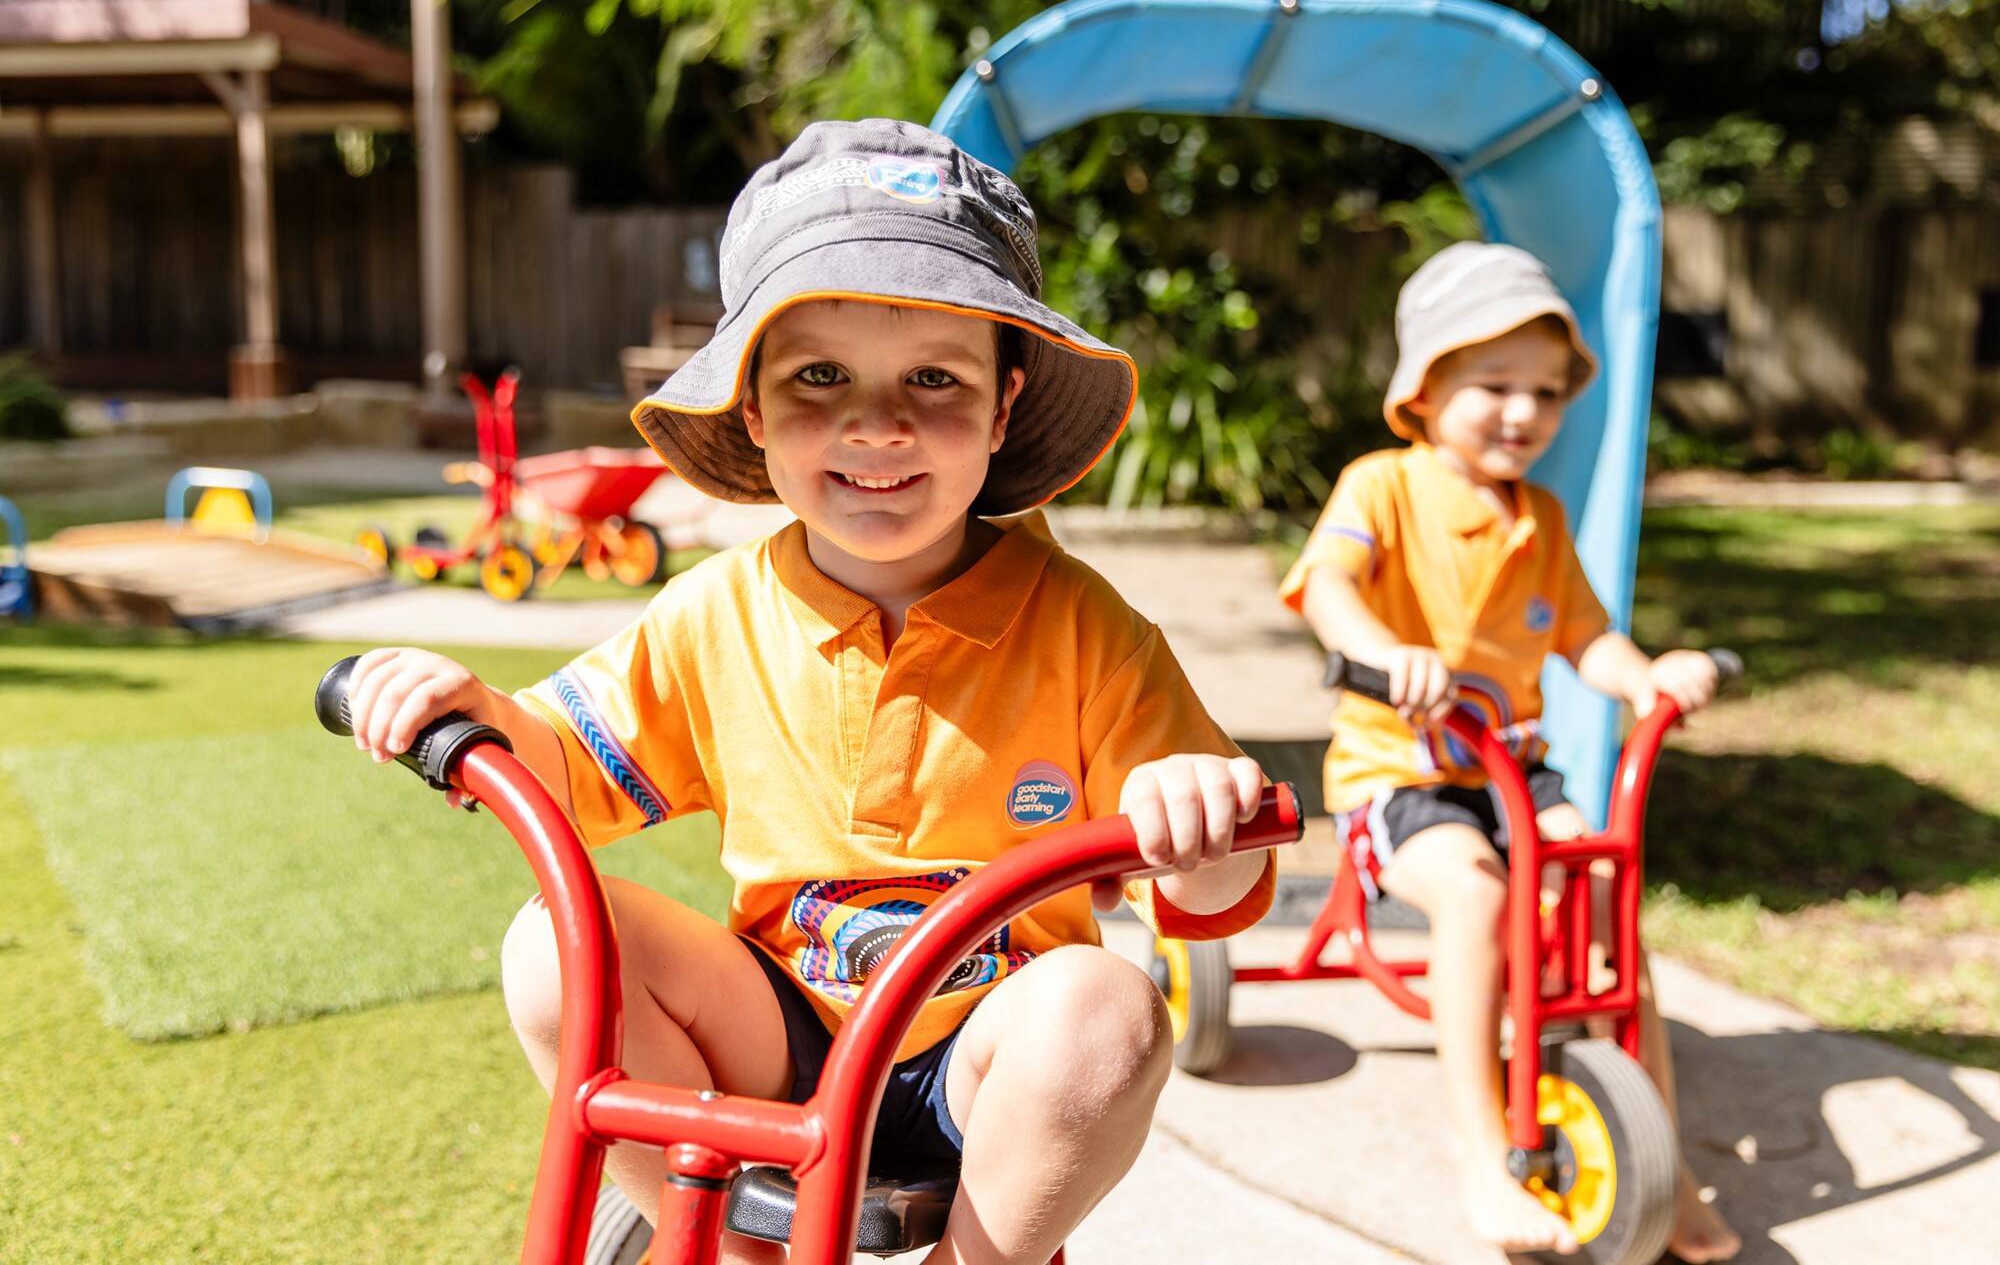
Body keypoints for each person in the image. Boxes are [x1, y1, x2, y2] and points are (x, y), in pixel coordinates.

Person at [343, 119, 1275, 1265]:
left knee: (1106, 1008)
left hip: (981, 1054)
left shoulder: (1087, 629)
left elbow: (1220, 885)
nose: (874, 422)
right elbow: (564, 769)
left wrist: (1196, 814)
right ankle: (731, 1250)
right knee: (557, 948)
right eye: (817, 375)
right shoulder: (712, 609)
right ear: (752, 409)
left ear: (1002, 406)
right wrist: (480, 712)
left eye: (933, 377)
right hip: (774, 1029)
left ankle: (975, 1259)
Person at [1279, 242, 1740, 1261]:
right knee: (1478, 891)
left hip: (1511, 771)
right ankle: (1483, 1151)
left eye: (1543, 390)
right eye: (1492, 384)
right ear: (1424, 388)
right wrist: (1383, 651)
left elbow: (1585, 637)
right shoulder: (1381, 486)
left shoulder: (1539, 516)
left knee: (1601, 892)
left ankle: (1666, 1152)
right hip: (1400, 772)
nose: (1520, 412)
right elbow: (1326, 588)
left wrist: (1644, 674)